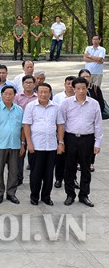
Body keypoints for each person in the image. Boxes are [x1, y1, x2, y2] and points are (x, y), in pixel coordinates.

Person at [58, 77, 103, 207]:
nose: (81, 91)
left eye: (83, 88)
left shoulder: (94, 104)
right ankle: (70, 194)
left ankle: (84, 195)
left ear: (87, 87)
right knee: (69, 168)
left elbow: (98, 125)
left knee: (86, 168)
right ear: (73, 89)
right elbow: (62, 123)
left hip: (87, 139)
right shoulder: (66, 103)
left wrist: (97, 143)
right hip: (70, 138)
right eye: (78, 88)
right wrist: (61, 141)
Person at [23, 83, 60, 206]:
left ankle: (46, 196)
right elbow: (26, 125)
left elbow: (60, 125)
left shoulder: (56, 107)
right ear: (37, 93)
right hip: (36, 146)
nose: (43, 94)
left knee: (49, 174)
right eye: (41, 92)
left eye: (46, 92)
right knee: (36, 173)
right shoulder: (30, 106)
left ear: (50, 93)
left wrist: (61, 143)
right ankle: (34, 196)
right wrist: (29, 143)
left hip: (51, 146)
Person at [0, 85, 24, 204]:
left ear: (14, 95)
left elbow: (22, 129)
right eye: (6, 94)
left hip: (15, 144)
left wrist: (22, 144)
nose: (8, 96)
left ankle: (11, 193)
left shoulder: (19, 110)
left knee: (14, 171)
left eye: (11, 94)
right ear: (2, 95)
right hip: (0, 145)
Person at [79, 68, 105, 172]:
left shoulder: (95, 88)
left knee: (92, 142)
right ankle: (79, 162)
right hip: (79, 121)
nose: (86, 78)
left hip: (92, 120)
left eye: (87, 76)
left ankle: (90, 162)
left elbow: (101, 105)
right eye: (83, 76)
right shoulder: (75, 88)